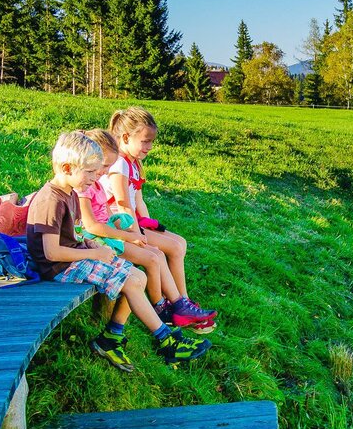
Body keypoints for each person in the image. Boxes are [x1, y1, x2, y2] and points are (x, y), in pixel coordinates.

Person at [26, 131, 210, 372]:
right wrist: (93, 254)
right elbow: (50, 253)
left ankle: (112, 337)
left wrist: (92, 245)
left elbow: (73, 234)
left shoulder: (68, 192)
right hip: (59, 268)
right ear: (68, 167)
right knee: (131, 280)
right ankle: (167, 341)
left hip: (72, 258)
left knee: (139, 276)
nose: (95, 178)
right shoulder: (50, 200)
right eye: (90, 172)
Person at [78, 128, 214, 333]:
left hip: (109, 236)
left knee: (156, 254)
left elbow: (107, 215)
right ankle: (161, 308)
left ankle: (177, 304)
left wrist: (131, 229)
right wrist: (129, 235)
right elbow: (91, 226)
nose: (105, 172)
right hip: (97, 240)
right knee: (150, 260)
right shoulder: (85, 188)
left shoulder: (96, 184)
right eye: (103, 166)